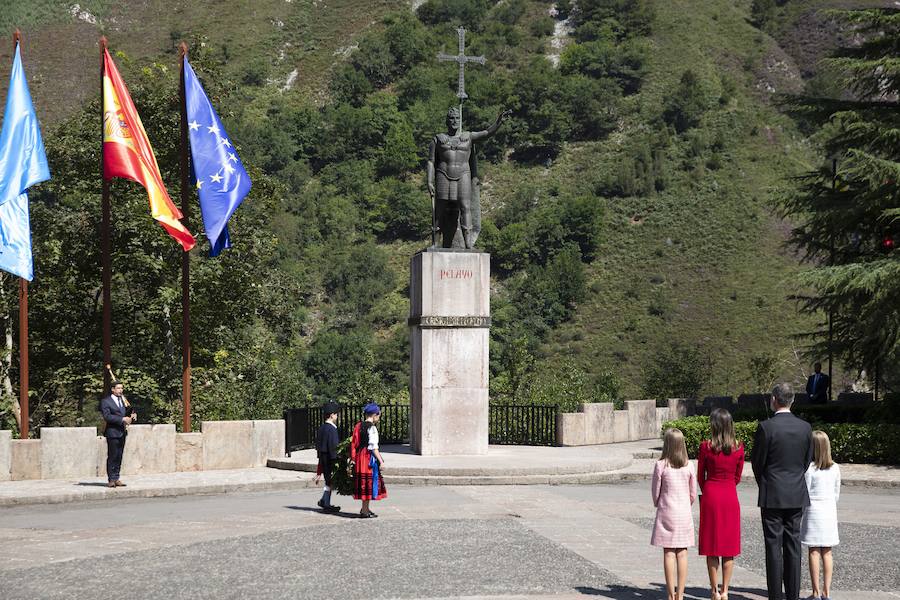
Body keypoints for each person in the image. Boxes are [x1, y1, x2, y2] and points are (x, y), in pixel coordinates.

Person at [751, 383, 813, 600]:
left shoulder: (766, 427)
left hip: (772, 493)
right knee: (793, 545)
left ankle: (776, 595)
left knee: (773, 547)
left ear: (774, 399)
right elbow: (806, 462)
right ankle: (793, 595)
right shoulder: (805, 428)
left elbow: (757, 463)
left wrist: (767, 482)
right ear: (792, 400)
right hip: (796, 493)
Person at [427, 106, 510, 248]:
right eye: (451, 118)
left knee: (465, 207)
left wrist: (498, 122)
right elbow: (431, 161)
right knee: (439, 209)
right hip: (443, 174)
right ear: (447, 121)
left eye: (457, 118)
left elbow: (487, 133)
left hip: (463, 174)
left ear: (460, 121)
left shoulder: (468, 137)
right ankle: (435, 242)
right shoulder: (438, 139)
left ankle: (468, 244)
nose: (454, 121)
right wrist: (429, 181)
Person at [698, 408, 745, 600]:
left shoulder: (705, 447)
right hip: (729, 495)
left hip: (711, 495)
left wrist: (708, 488)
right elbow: (738, 476)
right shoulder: (738, 448)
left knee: (711, 546)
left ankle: (714, 590)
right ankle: (725, 590)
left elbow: (701, 476)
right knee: (728, 548)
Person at [651, 428, 697, 600]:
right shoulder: (689, 465)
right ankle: (681, 594)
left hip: (666, 511)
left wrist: (659, 503)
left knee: (668, 552)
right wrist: (686, 504)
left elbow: (656, 492)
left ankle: (670, 595)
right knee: (682, 552)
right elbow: (693, 493)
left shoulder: (660, 465)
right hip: (683, 512)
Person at [801, 431, 841, 600]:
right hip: (829, 510)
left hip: (813, 510)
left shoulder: (809, 469)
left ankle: (815, 592)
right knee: (828, 551)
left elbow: (806, 492)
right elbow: (836, 492)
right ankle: (827, 591)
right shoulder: (835, 467)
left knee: (814, 551)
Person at [349, 403, 386, 518]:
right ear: (374, 415)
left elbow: (354, 444)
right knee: (368, 482)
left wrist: (353, 458)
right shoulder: (372, 428)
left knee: (364, 483)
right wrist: (381, 461)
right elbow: (374, 447)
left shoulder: (358, 426)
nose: (379, 417)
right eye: (379, 415)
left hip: (360, 456)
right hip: (367, 458)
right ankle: (364, 511)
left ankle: (365, 508)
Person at [99, 380, 135, 488]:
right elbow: (107, 416)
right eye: (118, 388)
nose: (120, 390)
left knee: (119, 456)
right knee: (112, 456)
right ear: (113, 389)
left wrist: (132, 416)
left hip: (122, 431)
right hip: (112, 432)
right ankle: (111, 479)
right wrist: (122, 419)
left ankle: (117, 477)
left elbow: (128, 412)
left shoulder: (123, 401)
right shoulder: (106, 401)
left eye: (121, 388)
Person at [314, 401, 341, 513]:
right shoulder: (332, 429)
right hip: (330, 457)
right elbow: (334, 445)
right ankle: (326, 502)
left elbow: (318, 445)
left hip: (323, 457)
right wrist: (338, 458)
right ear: (332, 415)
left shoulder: (321, 428)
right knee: (330, 481)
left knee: (328, 481)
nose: (337, 416)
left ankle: (324, 500)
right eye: (336, 414)